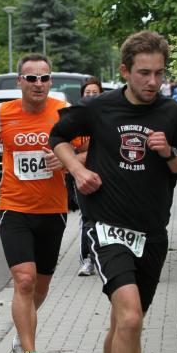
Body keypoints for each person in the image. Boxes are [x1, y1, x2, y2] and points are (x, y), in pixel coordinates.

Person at [50, 31, 177, 353]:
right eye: (143, 73)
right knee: (132, 318)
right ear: (125, 71)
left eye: (159, 73)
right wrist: (77, 171)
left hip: (152, 234)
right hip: (106, 226)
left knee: (125, 324)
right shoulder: (100, 108)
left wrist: (169, 153)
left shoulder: (174, 115)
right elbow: (57, 137)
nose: (152, 81)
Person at [0, 53, 72, 353]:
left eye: (44, 78)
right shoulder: (0, 115)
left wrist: (65, 160)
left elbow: (88, 152)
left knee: (40, 286)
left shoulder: (64, 114)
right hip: (15, 208)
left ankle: (22, 333)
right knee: (24, 281)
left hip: (53, 210)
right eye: (32, 78)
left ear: (51, 81)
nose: (39, 84)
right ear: (19, 81)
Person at [72, 77, 104, 277]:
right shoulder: (75, 119)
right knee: (87, 217)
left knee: (105, 217)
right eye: (88, 93)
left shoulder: (108, 117)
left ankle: (104, 257)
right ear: (82, 96)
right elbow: (69, 148)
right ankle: (87, 260)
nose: (91, 96)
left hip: (106, 175)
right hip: (82, 176)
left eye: (95, 92)